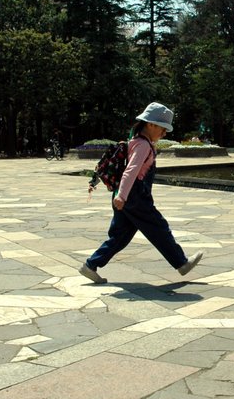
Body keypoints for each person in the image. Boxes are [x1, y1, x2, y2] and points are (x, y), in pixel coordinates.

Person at [80, 102, 204, 284]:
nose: (164, 133)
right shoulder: (142, 145)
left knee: (120, 235)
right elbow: (131, 170)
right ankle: (181, 263)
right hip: (134, 196)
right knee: (159, 228)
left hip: (127, 195)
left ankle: (91, 265)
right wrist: (122, 196)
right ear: (151, 124)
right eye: (163, 129)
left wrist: (119, 195)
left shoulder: (136, 141)